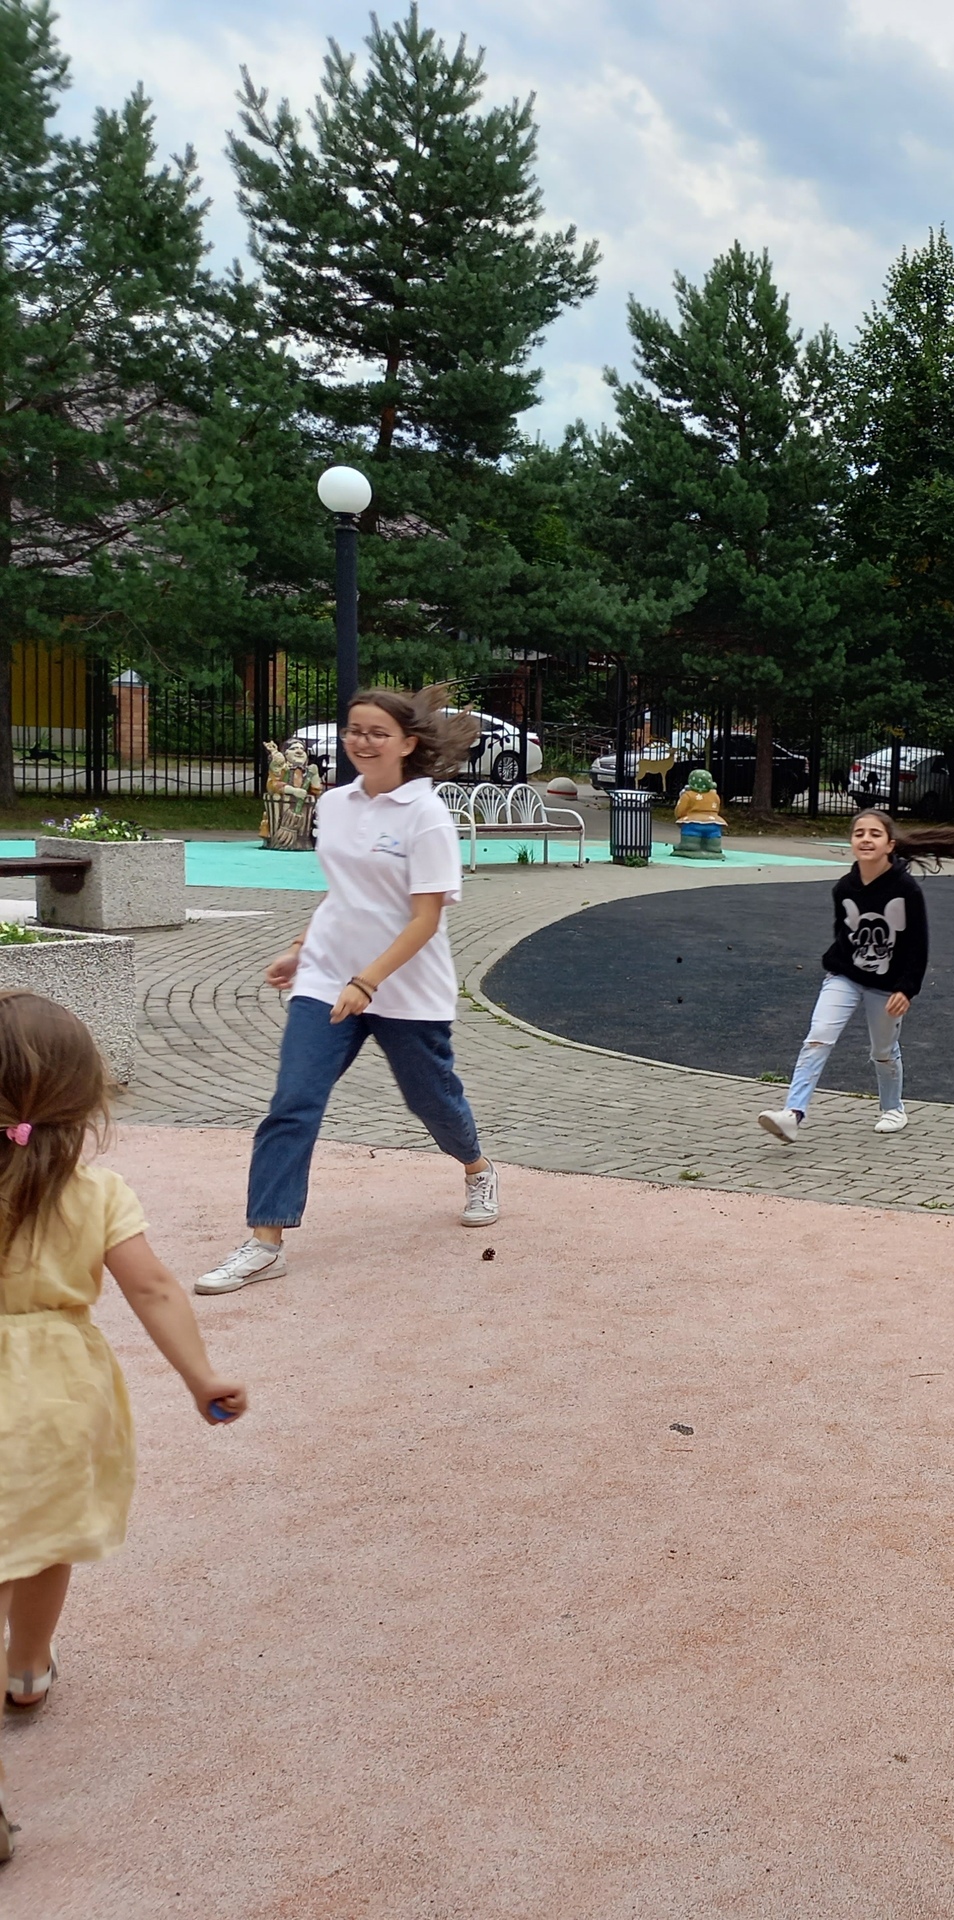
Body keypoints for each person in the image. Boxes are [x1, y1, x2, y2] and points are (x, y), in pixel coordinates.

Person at [1, 992, 247, 1858]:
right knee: (41, 1542)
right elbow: (153, 1289)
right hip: (55, 1403)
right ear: (86, 1099)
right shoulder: (96, 1192)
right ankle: (27, 1667)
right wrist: (201, 1375)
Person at [195, 688, 498, 1296]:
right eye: (354, 730)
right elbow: (347, 894)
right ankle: (265, 1241)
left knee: (431, 1101)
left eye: (377, 732)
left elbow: (424, 919)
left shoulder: (427, 815)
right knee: (293, 1101)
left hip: (405, 988)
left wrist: (369, 981)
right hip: (328, 979)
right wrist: (303, 949)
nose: (362, 741)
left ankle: (477, 1167)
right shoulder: (333, 805)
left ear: (408, 743)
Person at [759, 808, 933, 1142]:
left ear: (890, 844)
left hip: (887, 985)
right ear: (851, 842)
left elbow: (917, 944)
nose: (866, 839)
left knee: (883, 1050)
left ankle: (893, 1107)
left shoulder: (906, 890)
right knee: (818, 1035)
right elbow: (845, 934)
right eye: (859, 834)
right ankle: (793, 1114)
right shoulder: (844, 889)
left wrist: (906, 988)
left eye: (874, 834)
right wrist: (838, 970)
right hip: (845, 977)